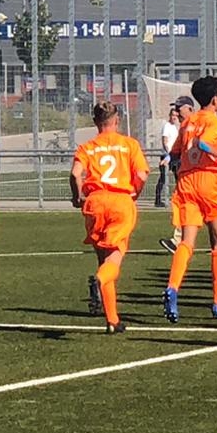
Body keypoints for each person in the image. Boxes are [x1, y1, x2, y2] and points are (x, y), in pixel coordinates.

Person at [162, 75, 217, 323]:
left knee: (186, 242)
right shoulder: (214, 121)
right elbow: (204, 144)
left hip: (187, 182)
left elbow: (175, 151)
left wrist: (179, 161)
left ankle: (173, 287)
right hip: (209, 182)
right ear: (215, 99)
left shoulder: (188, 122)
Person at [70, 102, 149, 333]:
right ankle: (99, 281)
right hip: (120, 201)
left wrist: (77, 197)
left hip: (95, 202)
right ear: (117, 120)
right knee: (113, 259)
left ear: (95, 122)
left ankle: (112, 320)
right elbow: (142, 174)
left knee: (103, 259)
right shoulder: (129, 144)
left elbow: (75, 174)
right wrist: (135, 192)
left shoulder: (88, 147)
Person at [158, 96, 195, 253]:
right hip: (188, 175)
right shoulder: (184, 127)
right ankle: (178, 239)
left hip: (197, 175)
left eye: (180, 109)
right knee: (185, 205)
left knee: (204, 209)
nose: (177, 113)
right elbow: (177, 150)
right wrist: (169, 158)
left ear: (190, 109)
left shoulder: (198, 124)